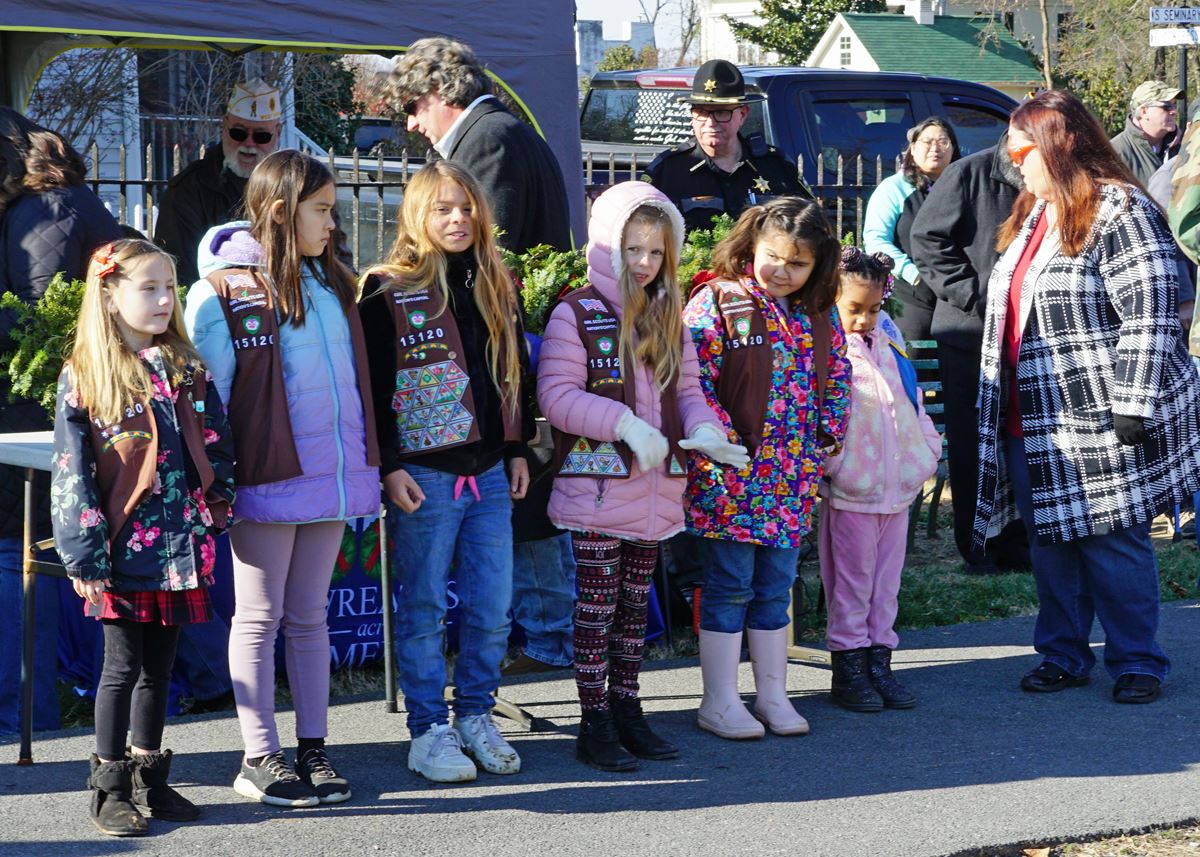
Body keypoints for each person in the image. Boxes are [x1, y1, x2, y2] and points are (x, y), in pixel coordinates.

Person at [975, 89, 1200, 704]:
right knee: (1051, 540)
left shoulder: (1118, 209)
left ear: (1060, 144)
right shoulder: (1033, 215)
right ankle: (1063, 653)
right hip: (1031, 413)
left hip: (1099, 411)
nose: (1013, 161)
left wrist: (1133, 402)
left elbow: (1151, 312)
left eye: (1022, 149)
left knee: (1111, 537)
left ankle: (1137, 661)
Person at [185, 150, 379, 807]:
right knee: (260, 616)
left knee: (309, 617)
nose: (333, 222)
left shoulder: (331, 284)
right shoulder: (224, 294)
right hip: (265, 483)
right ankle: (258, 754)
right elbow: (207, 403)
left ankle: (313, 749)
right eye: (320, 209)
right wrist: (217, 484)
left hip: (329, 479)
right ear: (279, 212)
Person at [538, 181, 747, 770]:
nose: (645, 262)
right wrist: (625, 424)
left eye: (656, 252)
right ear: (608, 244)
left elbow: (688, 391)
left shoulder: (668, 314)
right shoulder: (575, 310)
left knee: (636, 607)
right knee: (597, 609)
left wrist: (709, 432)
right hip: (599, 489)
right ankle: (594, 718)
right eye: (633, 249)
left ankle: (628, 707)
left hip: (658, 489)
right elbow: (556, 396)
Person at [50, 239, 235, 836]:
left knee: (162, 665)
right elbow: (71, 473)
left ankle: (152, 778)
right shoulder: (86, 377)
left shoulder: (185, 365)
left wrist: (218, 501)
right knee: (120, 667)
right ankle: (109, 786)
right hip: (123, 551)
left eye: (168, 288)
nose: (162, 301)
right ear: (109, 296)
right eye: (147, 288)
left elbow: (215, 441)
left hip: (182, 547)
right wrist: (85, 552)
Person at [358, 160, 533, 784]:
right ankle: (429, 727)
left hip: (488, 471)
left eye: (466, 208)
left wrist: (517, 448)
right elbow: (372, 389)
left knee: (492, 606)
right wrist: (388, 467)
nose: (457, 219)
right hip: (424, 476)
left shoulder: (496, 282)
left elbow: (512, 374)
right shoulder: (385, 289)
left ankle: (476, 715)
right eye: (442, 209)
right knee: (426, 605)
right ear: (417, 216)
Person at [683, 196, 849, 740]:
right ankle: (720, 699)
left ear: (818, 265)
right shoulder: (717, 302)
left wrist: (828, 436)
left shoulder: (818, 314)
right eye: (773, 256)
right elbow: (694, 384)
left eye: (798, 263)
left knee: (777, 584)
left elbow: (839, 378)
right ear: (752, 245)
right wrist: (723, 447)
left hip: (792, 477)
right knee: (729, 582)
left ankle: (773, 692)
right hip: (732, 475)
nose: (782, 270)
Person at [0, 107, 123, 735]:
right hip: (55, 404)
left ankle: (26, 716)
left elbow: (35, 323)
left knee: (21, 555)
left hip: (44, 410)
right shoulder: (47, 205)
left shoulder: (47, 211)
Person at [819, 247, 941, 713]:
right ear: (832, 302)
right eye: (853, 309)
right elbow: (822, 422)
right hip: (852, 494)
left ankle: (879, 664)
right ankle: (848, 669)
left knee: (885, 586)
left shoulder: (889, 349)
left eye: (873, 310)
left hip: (896, 493)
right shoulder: (828, 353)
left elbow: (914, 405)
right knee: (852, 585)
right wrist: (835, 466)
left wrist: (925, 454)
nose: (864, 320)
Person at [909, 128, 1030, 573]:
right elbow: (926, 239)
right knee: (971, 445)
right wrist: (975, 295)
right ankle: (977, 546)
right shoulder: (967, 173)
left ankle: (1020, 544)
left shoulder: (1047, 177)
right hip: (969, 334)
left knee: (1019, 440)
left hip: (1025, 334)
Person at [385, 37, 570, 254]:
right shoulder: (501, 129)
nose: (411, 124)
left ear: (438, 87)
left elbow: (491, 250)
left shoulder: (487, 140)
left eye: (411, 107)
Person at [643, 59, 809, 235]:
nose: (710, 123)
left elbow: (806, 227)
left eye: (722, 112)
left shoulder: (776, 167)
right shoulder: (667, 171)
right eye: (701, 112)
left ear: (743, 115)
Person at [154, 79, 283, 285]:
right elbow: (176, 270)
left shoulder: (296, 187)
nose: (248, 143)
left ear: (278, 133)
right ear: (224, 126)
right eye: (238, 132)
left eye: (261, 136)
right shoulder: (188, 189)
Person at [862, 118, 961, 341]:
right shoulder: (894, 188)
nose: (935, 148)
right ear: (913, 149)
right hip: (912, 294)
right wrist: (913, 275)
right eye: (927, 141)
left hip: (956, 295)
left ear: (954, 148)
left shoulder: (963, 187)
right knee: (915, 362)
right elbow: (876, 240)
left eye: (943, 141)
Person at [1110, 80, 1182, 186]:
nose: (1174, 111)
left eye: (1174, 105)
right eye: (1166, 107)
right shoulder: (1116, 153)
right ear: (1144, 111)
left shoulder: (1184, 146)